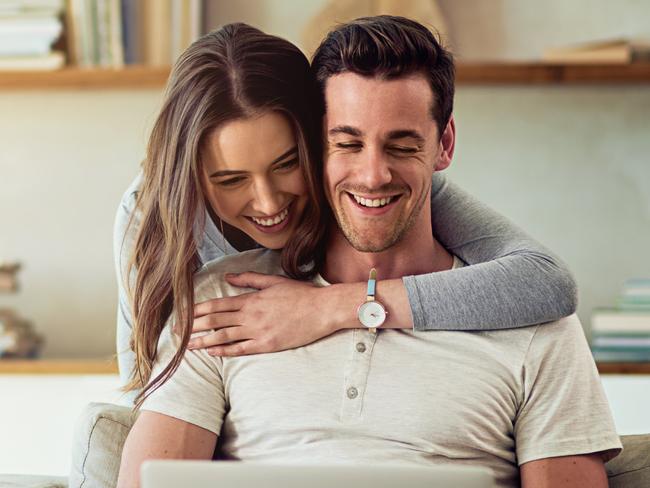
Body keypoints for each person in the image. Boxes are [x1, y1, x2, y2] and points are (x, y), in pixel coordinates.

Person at [116, 17, 621, 488]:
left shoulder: (534, 318)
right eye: (348, 143)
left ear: (444, 144)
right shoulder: (221, 299)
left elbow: (548, 280)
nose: (374, 175)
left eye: (402, 145)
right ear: (320, 144)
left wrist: (331, 307)